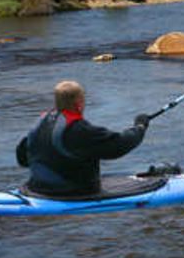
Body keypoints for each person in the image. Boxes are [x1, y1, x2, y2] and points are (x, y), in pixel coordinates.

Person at [16, 80, 149, 196]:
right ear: (79, 103)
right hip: (72, 192)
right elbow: (119, 146)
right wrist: (139, 127)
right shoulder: (79, 129)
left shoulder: (40, 122)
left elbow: (22, 159)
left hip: (36, 187)